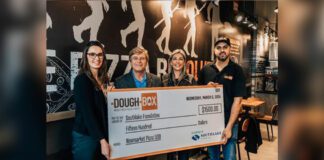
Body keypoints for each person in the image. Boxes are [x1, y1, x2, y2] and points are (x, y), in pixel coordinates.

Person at [198, 37, 246, 160]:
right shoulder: (205, 70)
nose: (222, 50)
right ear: (214, 51)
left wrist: (229, 127)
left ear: (230, 49)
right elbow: (198, 98)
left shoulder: (237, 70)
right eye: (218, 48)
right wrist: (205, 89)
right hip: (210, 123)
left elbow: (238, 101)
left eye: (225, 47)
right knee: (213, 157)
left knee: (230, 157)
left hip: (229, 122)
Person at [72, 41, 111, 160]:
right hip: (86, 136)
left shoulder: (103, 80)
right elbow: (88, 114)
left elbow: (102, 108)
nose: (96, 58)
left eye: (100, 55)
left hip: (101, 133)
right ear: (86, 56)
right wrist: (102, 141)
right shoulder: (81, 80)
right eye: (92, 54)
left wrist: (109, 96)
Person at [162, 49, 197, 160]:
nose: (178, 61)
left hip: (185, 123)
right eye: (175, 59)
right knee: (170, 154)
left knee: (183, 154)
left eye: (181, 59)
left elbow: (195, 101)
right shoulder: (164, 79)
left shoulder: (191, 79)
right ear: (171, 62)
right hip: (168, 122)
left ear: (184, 62)